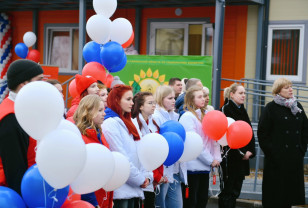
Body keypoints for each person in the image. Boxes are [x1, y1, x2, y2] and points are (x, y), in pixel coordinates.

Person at [257, 78, 308, 208]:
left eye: (291, 86)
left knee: (289, 198)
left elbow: (305, 129)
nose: (290, 89)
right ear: (278, 91)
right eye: (286, 87)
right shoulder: (270, 108)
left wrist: (301, 149)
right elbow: (262, 133)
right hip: (276, 160)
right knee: (275, 198)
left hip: (294, 158)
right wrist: (273, 152)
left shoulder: (297, 106)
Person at [101, 85, 152, 208]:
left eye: (132, 99)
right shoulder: (110, 123)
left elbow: (142, 152)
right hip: (121, 189)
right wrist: (140, 180)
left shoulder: (131, 122)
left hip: (136, 188)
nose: (132, 103)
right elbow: (121, 156)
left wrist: (147, 176)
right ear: (117, 101)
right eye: (128, 99)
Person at [0, 59, 44, 194]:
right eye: (39, 80)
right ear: (23, 84)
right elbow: (15, 171)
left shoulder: (21, 110)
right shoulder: (11, 117)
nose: (44, 85)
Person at [179, 86, 221, 208]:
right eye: (200, 97)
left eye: (204, 96)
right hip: (192, 166)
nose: (204, 99)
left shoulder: (206, 115)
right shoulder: (188, 117)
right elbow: (195, 143)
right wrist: (210, 159)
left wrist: (217, 158)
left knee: (202, 200)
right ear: (191, 100)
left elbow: (214, 138)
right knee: (192, 201)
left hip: (205, 166)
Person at [218, 83, 255, 208]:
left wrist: (251, 151)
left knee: (235, 191)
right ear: (232, 94)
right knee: (227, 191)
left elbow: (249, 132)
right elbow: (229, 135)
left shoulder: (242, 110)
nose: (243, 95)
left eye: (244, 93)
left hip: (242, 158)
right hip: (231, 158)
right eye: (240, 93)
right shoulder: (226, 109)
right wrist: (241, 153)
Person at [73, 94, 112, 208]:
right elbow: (83, 175)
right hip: (90, 199)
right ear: (88, 111)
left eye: (103, 110)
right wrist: (93, 202)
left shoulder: (100, 134)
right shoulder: (80, 138)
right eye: (100, 110)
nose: (104, 113)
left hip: (103, 195)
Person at [131, 92, 168, 208]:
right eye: (150, 103)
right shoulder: (135, 124)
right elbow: (141, 154)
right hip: (142, 177)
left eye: (154, 103)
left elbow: (157, 151)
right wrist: (154, 176)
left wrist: (158, 175)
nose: (153, 106)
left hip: (152, 177)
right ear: (140, 106)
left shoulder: (154, 124)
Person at [153, 85, 187, 208]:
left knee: (177, 205)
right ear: (161, 99)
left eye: (174, 98)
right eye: (170, 98)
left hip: (175, 169)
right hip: (162, 169)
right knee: (161, 203)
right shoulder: (156, 117)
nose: (174, 101)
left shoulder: (175, 116)